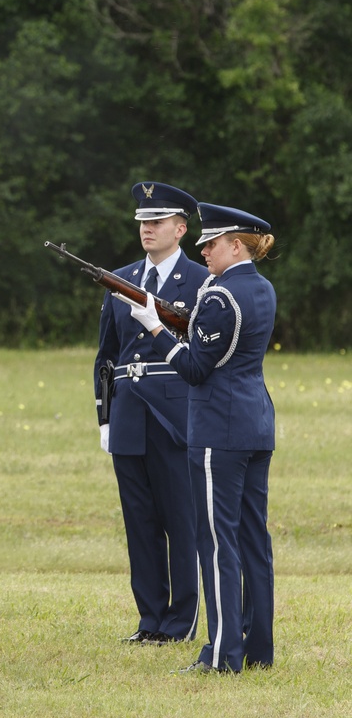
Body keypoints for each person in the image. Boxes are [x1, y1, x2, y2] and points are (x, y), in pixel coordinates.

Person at [124, 202, 276, 674]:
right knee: (253, 540)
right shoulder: (262, 288)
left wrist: (155, 327)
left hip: (219, 428)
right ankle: (258, 649)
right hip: (255, 422)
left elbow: (194, 369)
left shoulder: (220, 297)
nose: (203, 251)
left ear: (236, 244)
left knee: (215, 543)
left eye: (211, 243)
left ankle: (223, 653)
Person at [94, 182, 209, 646]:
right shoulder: (121, 280)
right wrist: (104, 416)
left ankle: (180, 622)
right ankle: (150, 620)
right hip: (129, 417)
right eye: (143, 222)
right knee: (139, 523)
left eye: (157, 222)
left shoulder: (201, 281)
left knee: (180, 520)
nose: (147, 229)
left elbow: (204, 355)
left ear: (180, 229)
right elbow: (107, 355)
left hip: (176, 416)